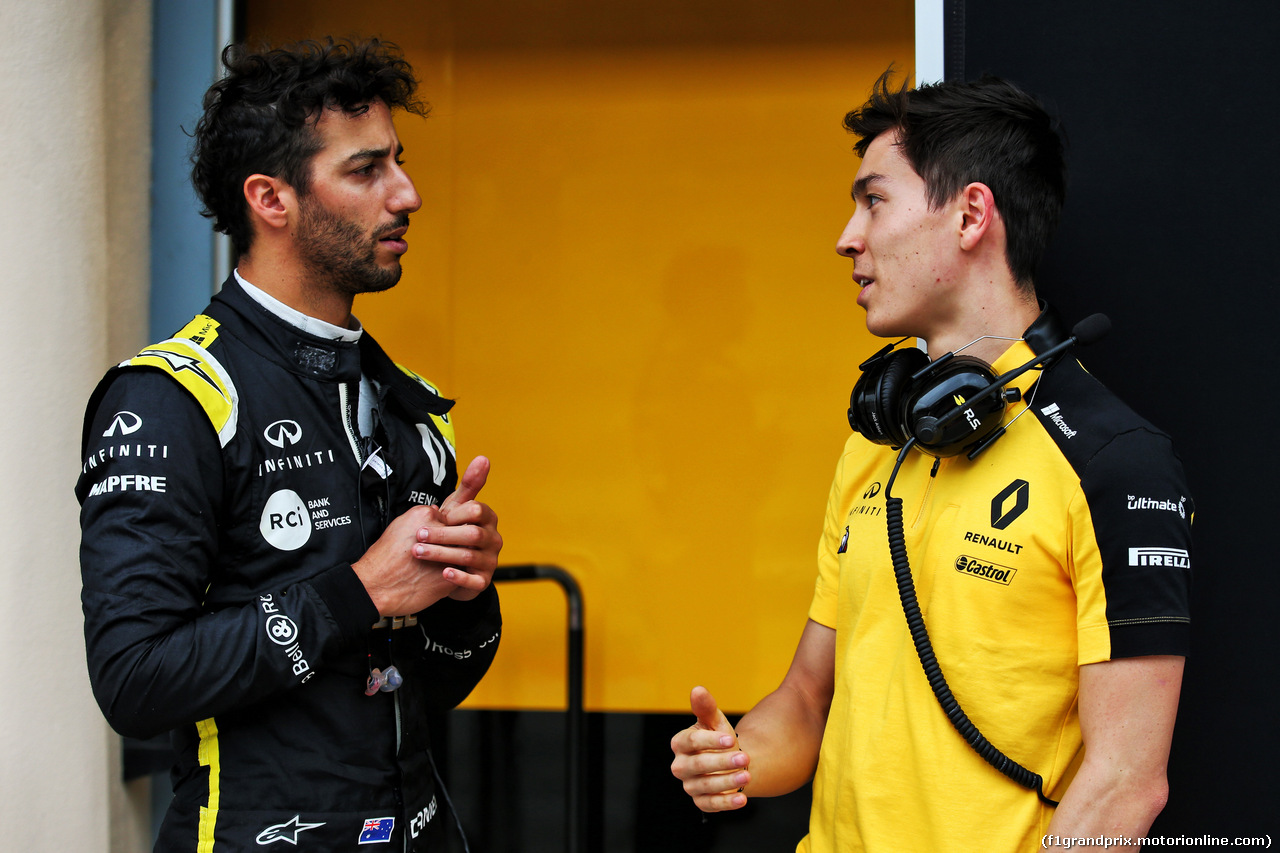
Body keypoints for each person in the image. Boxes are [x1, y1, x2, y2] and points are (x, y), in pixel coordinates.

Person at [670, 70, 1193, 852]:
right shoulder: (875, 444)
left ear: (971, 214)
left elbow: (1126, 780)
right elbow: (809, 698)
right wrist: (737, 755)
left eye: (873, 200)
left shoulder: (1114, 462)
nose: (848, 236)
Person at [77, 38, 503, 851]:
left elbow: (439, 679)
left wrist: (464, 589)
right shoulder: (172, 397)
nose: (406, 193)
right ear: (271, 199)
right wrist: (361, 589)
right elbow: (134, 678)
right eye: (366, 169)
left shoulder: (410, 402)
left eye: (399, 162)